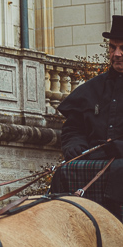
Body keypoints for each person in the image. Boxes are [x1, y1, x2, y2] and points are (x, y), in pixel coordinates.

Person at [50, 15, 123, 219]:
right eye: (112, 47)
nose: (116, 54)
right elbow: (73, 128)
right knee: (64, 172)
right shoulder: (92, 88)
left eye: (122, 48)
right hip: (92, 161)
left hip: (120, 167)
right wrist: (74, 144)